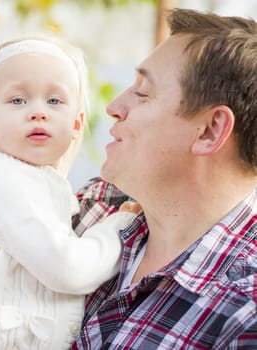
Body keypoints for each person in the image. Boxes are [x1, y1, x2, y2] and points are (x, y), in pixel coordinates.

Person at [0, 35, 141, 349]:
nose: (38, 112)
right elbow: (67, 268)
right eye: (18, 100)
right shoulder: (0, 182)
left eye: (54, 101)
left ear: (77, 124)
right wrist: (118, 227)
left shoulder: (45, 187)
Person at [71, 8, 257, 349]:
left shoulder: (245, 314)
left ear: (209, 131)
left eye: (142, 93)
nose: (114, 106)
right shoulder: (94, 205)